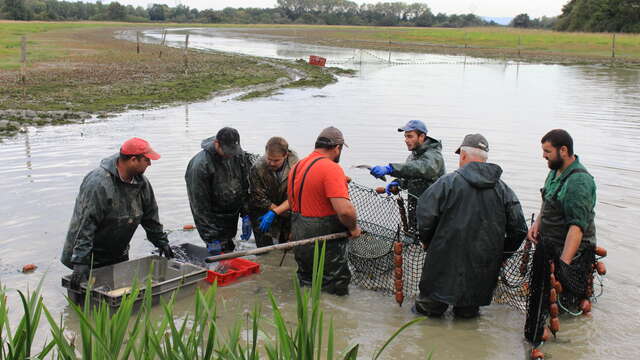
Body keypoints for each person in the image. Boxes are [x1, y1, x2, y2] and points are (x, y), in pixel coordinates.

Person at [413, 134, 527, 318]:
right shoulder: (504, 190)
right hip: (480, 274)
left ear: (463, 156)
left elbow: (425, 216)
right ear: (485, 159)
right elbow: (520, 230)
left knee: (426, 316)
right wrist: (502, 254)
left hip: (441, 267)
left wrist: (426, 241)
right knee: (467, 318)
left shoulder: (446, 183)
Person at [61, 137, 174, 292]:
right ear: (133, 160)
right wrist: (80, 261)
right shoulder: (99, 183)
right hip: (89, 255)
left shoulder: (142, 184)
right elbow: (86, 224)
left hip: (117, 253)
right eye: (147, 160)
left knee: (120, 299)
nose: (150, 164)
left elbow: (150, 218)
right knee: (89, 303)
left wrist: (161, 242)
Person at [288, 126, 361, 296]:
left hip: (301, 240)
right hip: (325, 245)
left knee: (307, 283)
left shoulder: (297, 166)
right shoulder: (331, 168)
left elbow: (294, 203)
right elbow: (345, 211)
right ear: (337, 148)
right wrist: (353, 228)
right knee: (334, 289)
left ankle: (306, 318)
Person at [527, 129, 597, 301]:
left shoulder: (579, 181)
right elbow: (547, 199)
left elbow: (577, 228)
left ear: (563, 150)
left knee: (560, 306)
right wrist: (538, 223)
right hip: (550, 246)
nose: (544, 155)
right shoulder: (555, 170)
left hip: (573, 255)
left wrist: (563, 267)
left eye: (547, 151)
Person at [185, 127, 254, 255]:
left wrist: (246, 214)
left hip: (231, 218)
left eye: (233, 151)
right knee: (217, 259)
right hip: (213, 220)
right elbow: (199, 207)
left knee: (230, 255)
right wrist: (210, 237)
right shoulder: (200, 166)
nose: (231, 155)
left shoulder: (238, 156)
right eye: (227, 152)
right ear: (217, 144)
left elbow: (245, 186)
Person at [369, 120, 445, 232]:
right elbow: (410, 175)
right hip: (415, 210)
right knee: (414, 237)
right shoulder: (413, 156)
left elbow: (421, 168)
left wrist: (390, 169)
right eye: (405, 137)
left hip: (433, 213)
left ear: (422, 136)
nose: (406, 140)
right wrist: (398, 183)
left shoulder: (434, 156)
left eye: (410, 136)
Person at [248, 137, 299, 248]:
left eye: (276, 160)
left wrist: (278, 213)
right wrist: (276, 212)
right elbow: (258, 197)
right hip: (262, 211)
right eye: (269, 159)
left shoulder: (297, 166)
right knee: (264, 249)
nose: (271, 163)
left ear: (285, 156)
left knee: (286, 248)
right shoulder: (257, 168)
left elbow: (296, 196)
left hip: (287, 211)